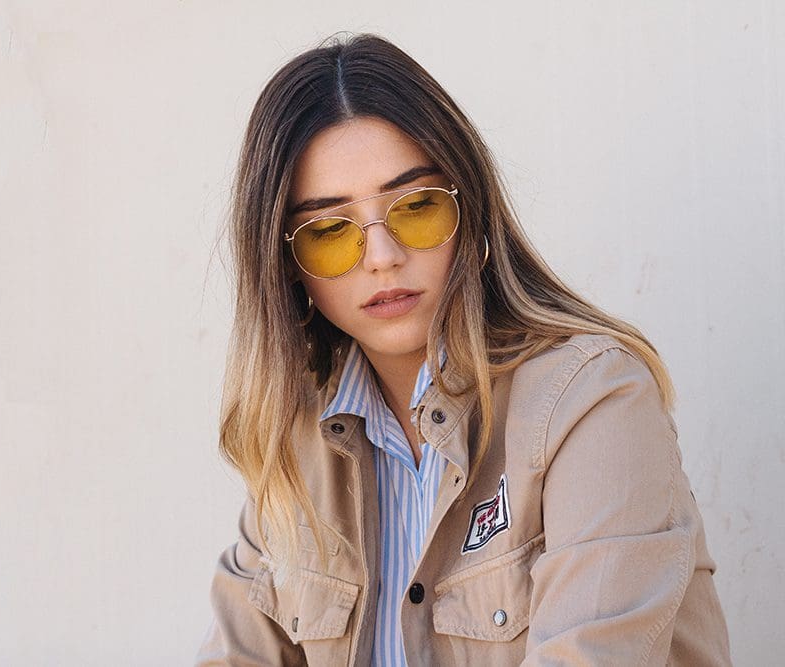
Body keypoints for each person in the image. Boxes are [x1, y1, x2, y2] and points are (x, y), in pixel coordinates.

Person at [196, 32, 731, 666]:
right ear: (285, 264)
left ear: (470, 209)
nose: (383, 257)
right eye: (330, 231)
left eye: (417, 207)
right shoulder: (292, 445)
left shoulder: (593, 405)